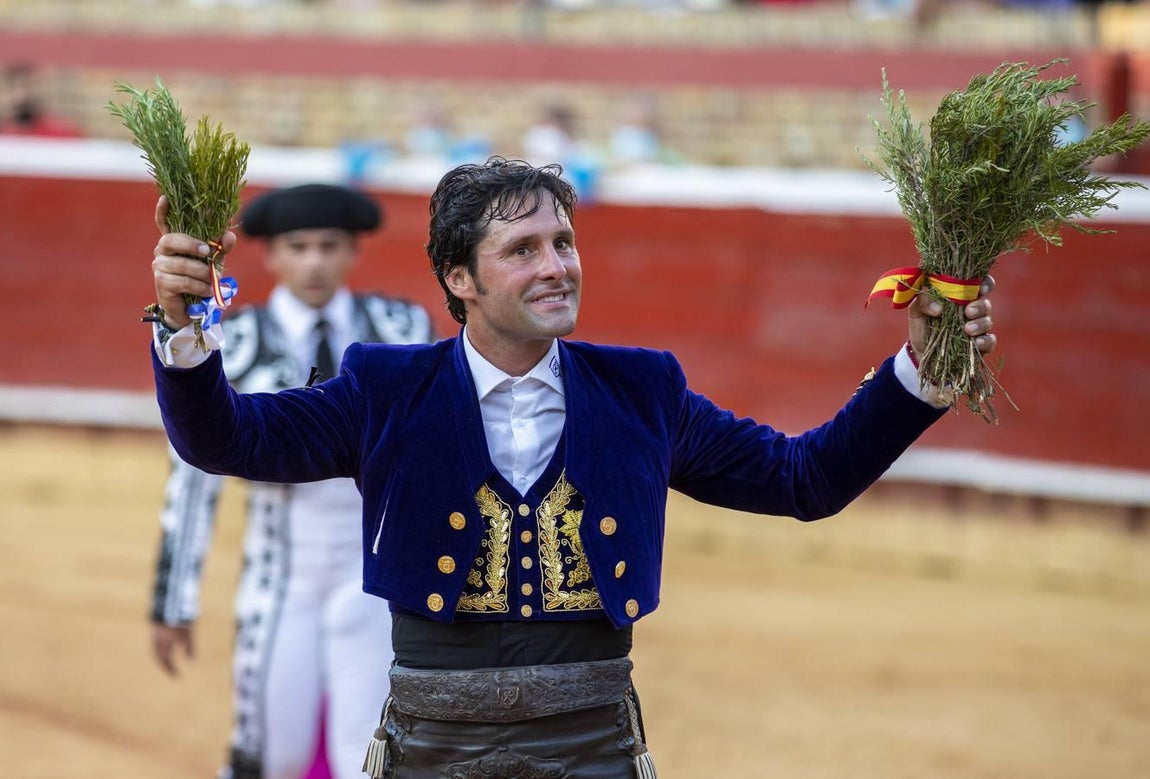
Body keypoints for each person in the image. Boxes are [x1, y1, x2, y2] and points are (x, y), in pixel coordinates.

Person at [147, 157, 997, 778]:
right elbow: (226, 440)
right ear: (460, 277)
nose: (556, 266)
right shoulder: (384, 387)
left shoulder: (641, 390)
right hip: (433, 746)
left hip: (591, 746)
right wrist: (184, 328)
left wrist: (916, 372)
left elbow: (803, 479)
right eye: (523, 249)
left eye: (564, 242)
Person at [148, 183, 435, 779]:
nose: (314, 262)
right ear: (272, 255)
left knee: (372, 756)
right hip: (281, 579)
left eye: (328, 246)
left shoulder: (403, 326)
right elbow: (194, 474)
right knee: (271, 757)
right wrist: (174, 600)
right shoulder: (234, 339)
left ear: (352, 252)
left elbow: (432, 457)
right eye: (298, 247)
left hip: (374, 578)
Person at [0, 62, 83, 138]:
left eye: (28, 86)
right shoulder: (4, 133)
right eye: (15, 87)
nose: (22, 95)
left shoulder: (62, 133)